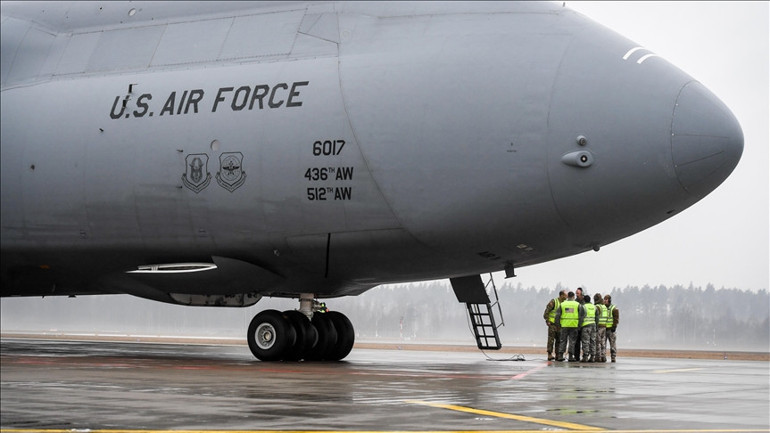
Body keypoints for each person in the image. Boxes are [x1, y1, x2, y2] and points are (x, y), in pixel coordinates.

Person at [554, 291, 580, 361]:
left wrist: (558, 325)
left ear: (567, 296)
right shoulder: (577, 304)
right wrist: (579, 325)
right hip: (574, 326)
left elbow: (557, 316)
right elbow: (582, 315)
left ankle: (560, 355)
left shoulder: (562, 304)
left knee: (562, 341)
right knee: (572, 341)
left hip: (564, 326)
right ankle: (571, 356)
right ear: (573, 297)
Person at [543, 290, 567, 361]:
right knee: (551, 340)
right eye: (565, 295)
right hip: (552, 324)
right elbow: (546, 312)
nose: (566, 297)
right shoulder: (554, 302)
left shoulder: (565, 303)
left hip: (560, 325)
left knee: (559, 340)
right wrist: (547, 320)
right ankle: (549, 354)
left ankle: (557, 355)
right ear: (561, 295)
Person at [580, 294, 597, 362]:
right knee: (593, 341)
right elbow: (597, 317)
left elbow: (581, 317)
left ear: (584, 300)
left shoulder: (583, 307)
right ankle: (592, 357)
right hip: (593, 325)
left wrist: (579, 325)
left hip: (586, 326)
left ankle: (585, 356)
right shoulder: (594, 307)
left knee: (585, 342)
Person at [604, 294, 619, 362]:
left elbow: (616, 318)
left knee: (612, 344)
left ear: (609, 300)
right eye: (604, 299)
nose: (605, 301)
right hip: (604, 329)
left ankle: (613, 357)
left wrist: (614, 326)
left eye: (606, 299)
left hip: (611, 329)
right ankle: (603, 356)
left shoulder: (614, 308)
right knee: (602, 345)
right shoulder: (603, 307)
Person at [594, 293, 608, 362]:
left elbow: (595, 317)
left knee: (598, 342)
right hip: (604, 326)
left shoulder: (597, 307)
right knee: (603, 343)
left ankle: (598, 357)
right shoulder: (604, 307)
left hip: (599, 326)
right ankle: (604, 356)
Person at [573, 287, 584, 360]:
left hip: (584, 325)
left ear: (581, 293)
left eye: (578, 293)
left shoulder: (585, 301)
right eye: (576, 293)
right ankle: (576, 356)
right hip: (576, 325)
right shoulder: (575, 301)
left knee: (585, 342)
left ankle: (585, 356)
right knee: (576, 342)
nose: (577, 295)